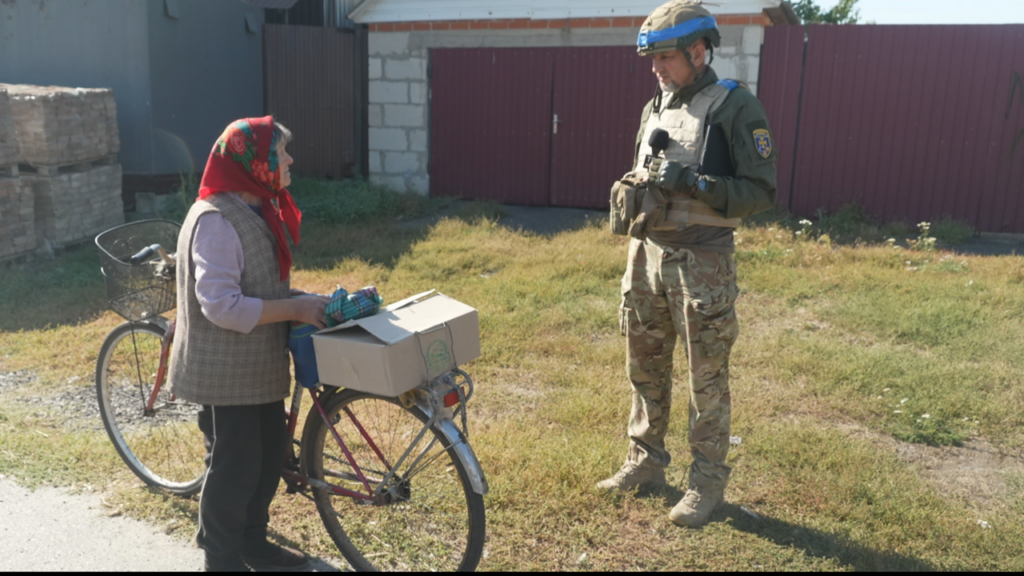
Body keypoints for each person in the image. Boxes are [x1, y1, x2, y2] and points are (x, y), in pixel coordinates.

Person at [597, 0, 778, 529]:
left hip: (702, 263)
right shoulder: (656, 105)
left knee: (707, 378)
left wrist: (698, 184)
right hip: (647, 255)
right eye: (652, 59)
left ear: (700, 53)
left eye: (667, 57)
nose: (657, 68)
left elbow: (761, 190)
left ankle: (706, 483)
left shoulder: (735, 107)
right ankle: (645, 462)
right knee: (645, 365)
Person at [167, 116, 329, 571]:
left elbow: (257, 288)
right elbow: (222, 306)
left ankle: (253, 542)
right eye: (281, 153)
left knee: (267, 457)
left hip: (257, 365)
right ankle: (220, 558)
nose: (290, 159)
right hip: (225, 372)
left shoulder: (259, 207)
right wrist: (295, 310)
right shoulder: (217, 220)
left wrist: (303, 299)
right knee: (235, 468)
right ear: (254, 163)